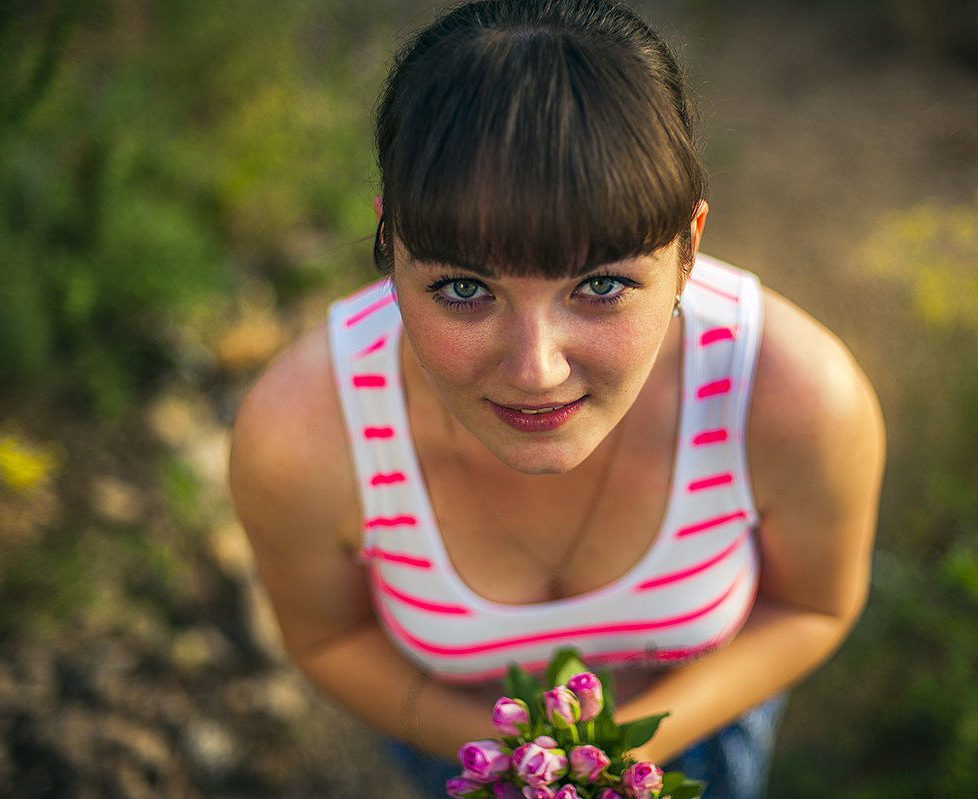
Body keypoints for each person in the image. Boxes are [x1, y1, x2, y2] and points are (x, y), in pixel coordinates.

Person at [228, 1, 885, 796]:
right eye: (463, 286)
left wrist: (613, 761)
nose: (535, 370)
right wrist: (512, 759)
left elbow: (813, 605)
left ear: (689, 249)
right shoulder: (303, 434)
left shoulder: (795, 398)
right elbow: (328, 637)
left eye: (601, 284)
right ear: (390, 248)